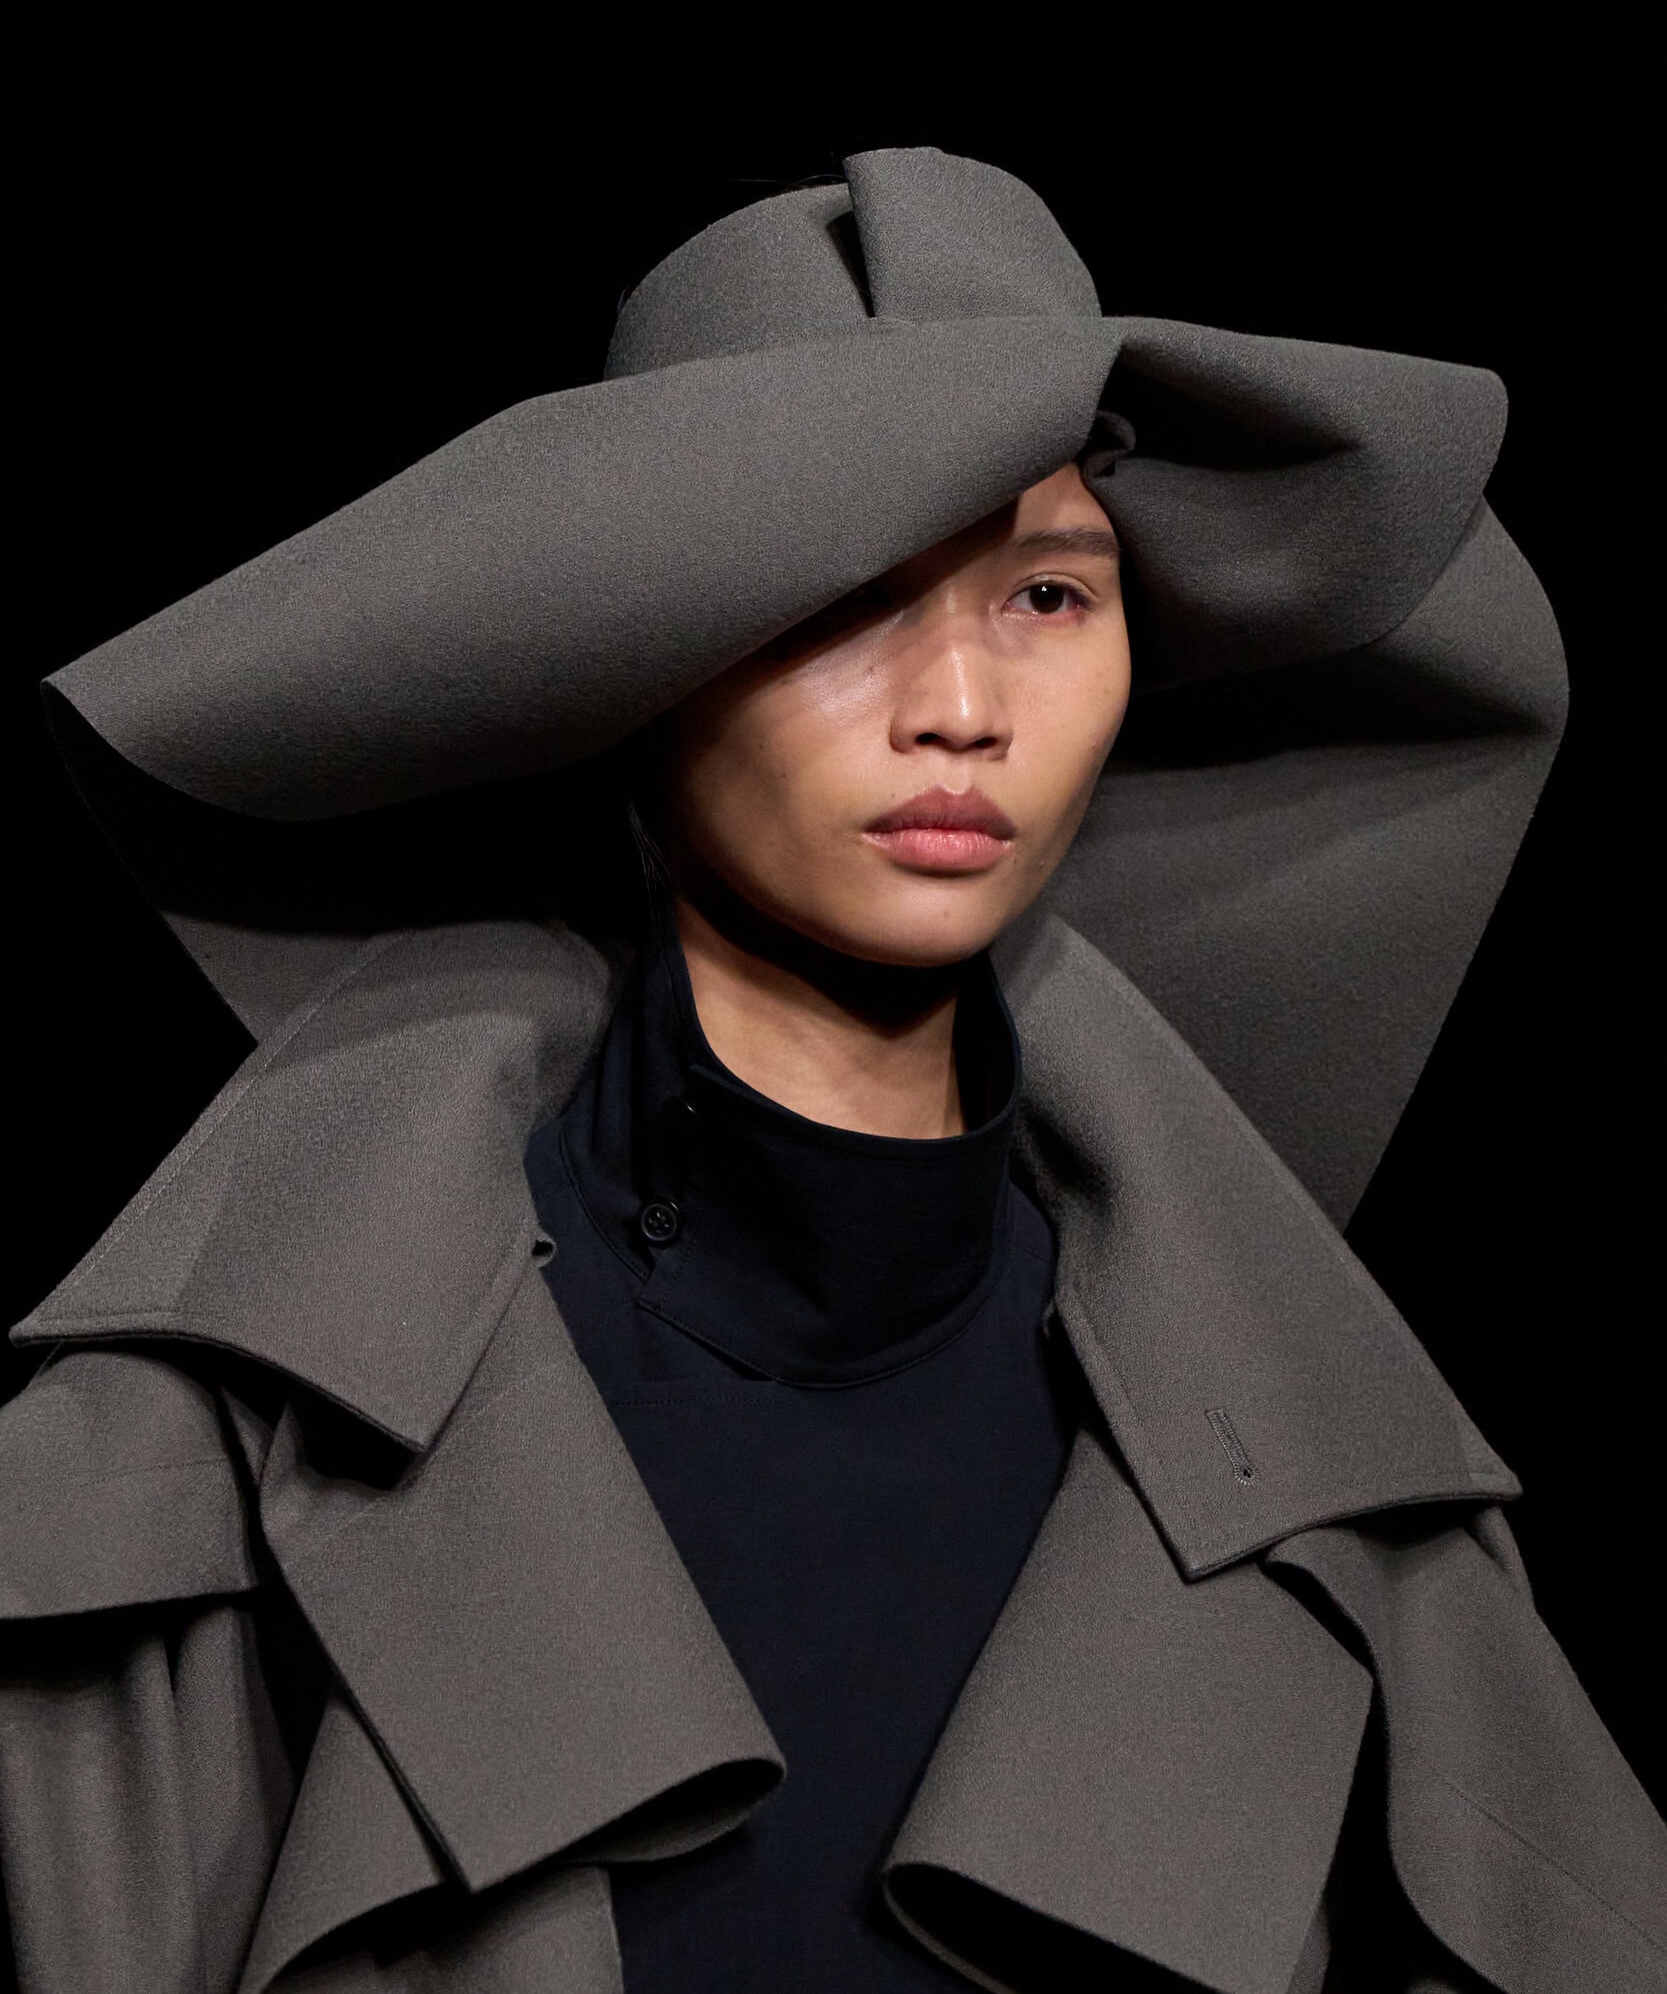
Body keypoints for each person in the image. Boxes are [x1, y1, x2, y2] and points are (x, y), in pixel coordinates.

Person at [1, 148, 1661, 1992]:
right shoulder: (188, 1460)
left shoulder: (1341, 1513)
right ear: (632, 669)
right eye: (840, 594)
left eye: (1048, 597)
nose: (960, 706)